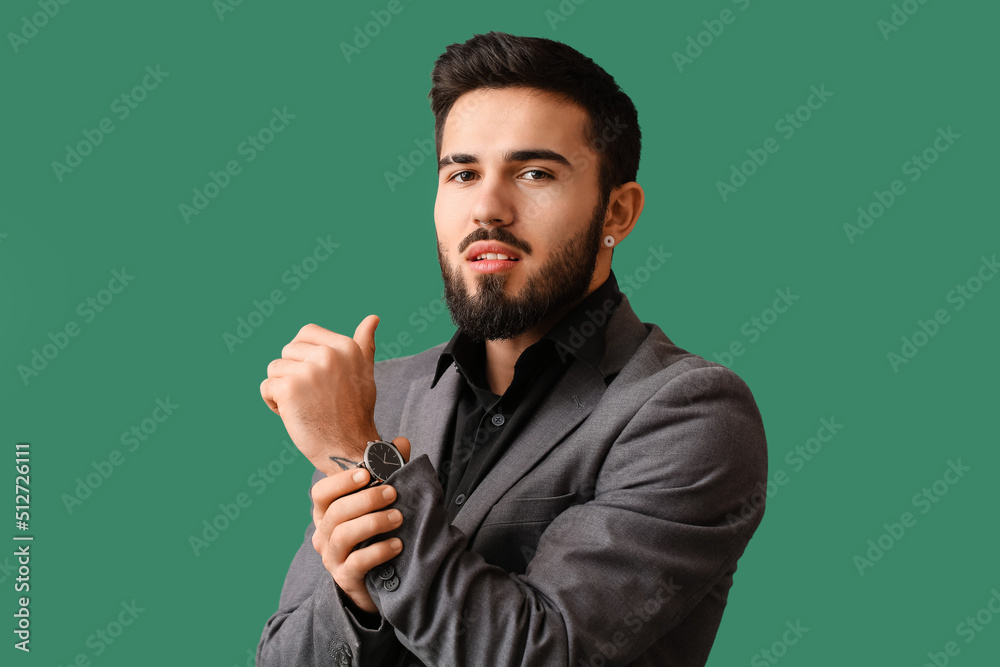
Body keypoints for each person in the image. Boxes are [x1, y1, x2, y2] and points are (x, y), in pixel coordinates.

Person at [256, 31, 767, 667]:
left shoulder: (689, 412)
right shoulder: (381, 395)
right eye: (463, 173)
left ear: (618, 213)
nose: (487, 208)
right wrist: (356, 599)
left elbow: (538, 654)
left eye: (533, 173)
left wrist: (364, 454)